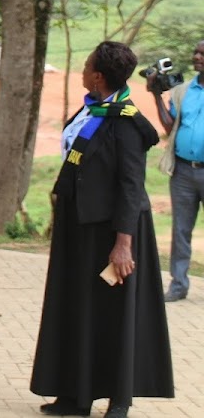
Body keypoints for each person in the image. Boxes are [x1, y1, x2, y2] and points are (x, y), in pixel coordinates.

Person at [31, 41, 174, 418]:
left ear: (97, 76)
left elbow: (131, 185)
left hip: (113, 231)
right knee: (76, 307)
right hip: (79, 226)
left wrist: (123, 244)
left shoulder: (125, 123)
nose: (81, 70)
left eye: (86, 65)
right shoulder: (92, 109)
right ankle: (75, 396)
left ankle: (119, 399)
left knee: (114, 315)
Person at [150, 40, 204, 302]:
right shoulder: (183, 91)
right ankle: (178, 285)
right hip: (183, 171)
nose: (197, 57)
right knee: (181, 230)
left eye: (203, 54)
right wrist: (156, 96)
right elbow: (170, 127)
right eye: (195, 52)